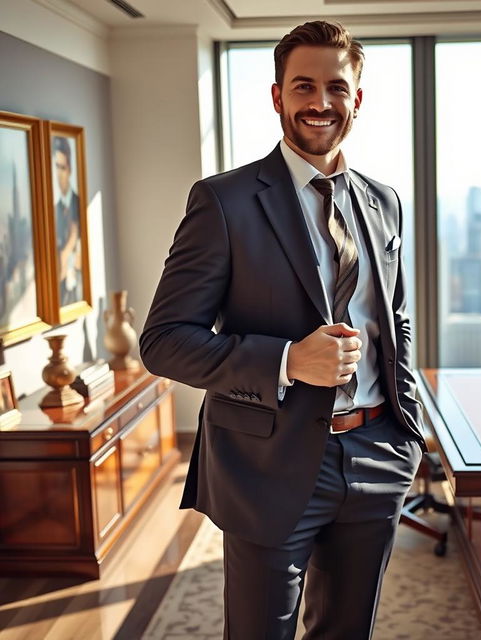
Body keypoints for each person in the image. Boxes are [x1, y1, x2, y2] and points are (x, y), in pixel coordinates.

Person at [140, 20, 425, 640]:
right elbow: (163, 341)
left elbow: (393, 319)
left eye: (336, 87)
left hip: (377, 454)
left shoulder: (385, 201)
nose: (320, 102)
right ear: (278, 97)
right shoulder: (225, 201)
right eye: (303, 87)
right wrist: (288, 360)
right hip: (267, 462)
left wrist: (409, 430)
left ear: (357, 99)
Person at [52, 136, 82, 306]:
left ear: (70, 170)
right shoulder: (53, 211)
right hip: (62, 292)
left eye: (62, 167)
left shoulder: (79, 205)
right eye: (56, 167)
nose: (59, 174)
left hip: (76, 287)